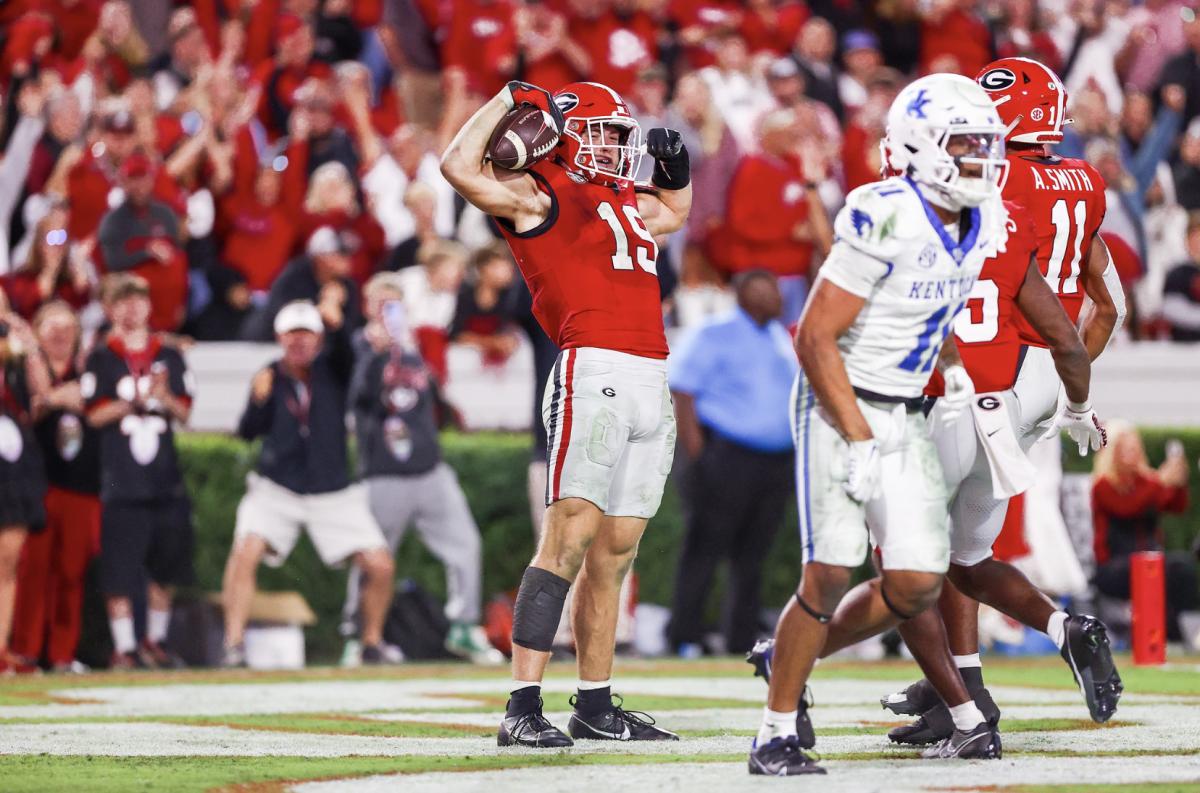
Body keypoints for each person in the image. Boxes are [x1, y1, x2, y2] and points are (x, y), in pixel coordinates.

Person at [748, 73, 1012, 776]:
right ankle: (774, 732)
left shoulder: (982, 219)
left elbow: (931, 308)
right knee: (830, 565)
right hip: (839, 401)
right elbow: (813, 336)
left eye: (988, 144)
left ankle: (784, 657)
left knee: (917, 583)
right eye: (965, 144)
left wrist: (955, 374)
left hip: (902, 404)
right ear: (921, 147)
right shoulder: (883, 210)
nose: (982, 160)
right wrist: (858, 436)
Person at [875, 58, 1126, 736]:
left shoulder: (995, 180)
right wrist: (1069, 394)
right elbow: (1111, 303)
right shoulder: (1086, 179)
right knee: (964, 550)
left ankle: (951, 691)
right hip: (1044, 369)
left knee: (915, 549)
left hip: (994, 367)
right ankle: (965, 686)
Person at [441, 79, 691, 747]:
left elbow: (673, 212)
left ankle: (596, 702)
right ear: (566, 133)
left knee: (616, 551)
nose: (615, 146)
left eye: (620, 135)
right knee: (568, 539)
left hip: (649, 374)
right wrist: (506, 98)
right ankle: (521, 704)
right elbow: (457, 165)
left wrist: (678, 170)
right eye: (604, 132)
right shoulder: (537, 191)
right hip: (594, 370)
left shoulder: (618, 199)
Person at [221, 300, 396, 667]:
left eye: (308, 335)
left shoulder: (333, 370)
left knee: (380, 565)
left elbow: (349, 354)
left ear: (319, 339)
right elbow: (247, 431)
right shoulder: (268, 376)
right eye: (292, 335)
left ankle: (371, 642)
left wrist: (336, 321)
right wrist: (258, 400)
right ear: (279, 338)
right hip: (277, 488)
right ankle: (233, 645)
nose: (300, 343)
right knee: (245, 552)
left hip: (332, 490)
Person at [342, 274, 503, 665]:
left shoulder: (414, 350)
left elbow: (434, 401)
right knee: (372, 559)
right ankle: (356, 634)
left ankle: (464, 627)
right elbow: (356, 398)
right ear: (366, 307)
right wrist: (377, 355)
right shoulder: (356, 347)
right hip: (383, 472)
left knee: (465, 544)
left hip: (429, 469)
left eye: (394, 305)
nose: (387, 313)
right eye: (380, 304)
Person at [667, 271, 797, 656]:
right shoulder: (714, 332)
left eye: (774, 289)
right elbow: (683, 390)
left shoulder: (778, 336)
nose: (775, 295)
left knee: (753, 555)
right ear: (743, 294)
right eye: (765, 288)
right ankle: (684, 636)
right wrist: (697, 454)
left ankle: (740, 638)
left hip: (773, 461)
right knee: (704, 548)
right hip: (725, 454)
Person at [82, 274, 194, 669]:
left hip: (164, 478)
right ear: (110, 308)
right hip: (122, 479)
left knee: (166, 565)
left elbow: (185, 413)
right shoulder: (101, 356)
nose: (131, 308)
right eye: (122, 301)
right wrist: (134, 403)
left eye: (137, 299)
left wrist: (161, 396)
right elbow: (93, 414)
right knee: (119, 567)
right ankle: (125, 646)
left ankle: (155, 641)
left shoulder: (169, 354)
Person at [10, 302, 100, 673]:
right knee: (33, 570)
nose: (60, 334)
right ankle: (25, 651)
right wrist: (50, 398)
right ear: (38, 332)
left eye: (67, 327)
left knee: (71, 571)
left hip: (82, 486)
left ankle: (63, 654)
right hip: (40, 484)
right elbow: (21, 414)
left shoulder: (90, 368)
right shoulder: (24, 369)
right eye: (52, 327)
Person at [1092, 421, 1196, 640]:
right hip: (1114, 564)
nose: (1134, 454)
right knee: (1157, 569)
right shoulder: (1103, 485)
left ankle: (1179, 630)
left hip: (1149, 560)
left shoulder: (1146, 482)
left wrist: (1179, 482)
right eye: (1128, 449)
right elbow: (1127, 507)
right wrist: (1160, 481)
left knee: (1181, 568)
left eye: (1136, 448)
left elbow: (1175, 506)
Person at [0, 295, 49, 673]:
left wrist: (30, 345)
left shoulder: (15, 346)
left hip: (14, 463)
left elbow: (42, 395)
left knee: (8, 560)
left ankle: (0, 647)